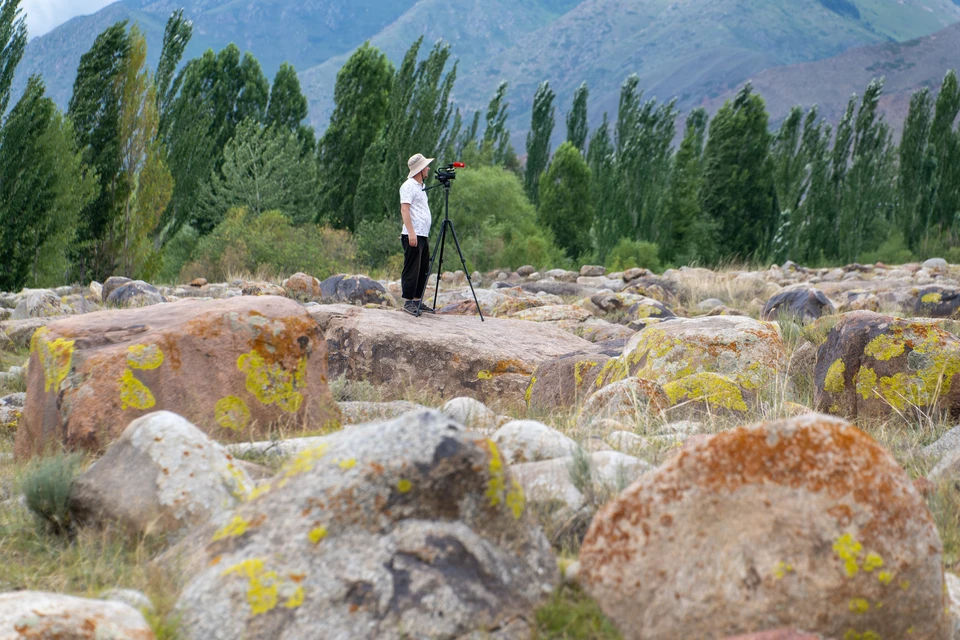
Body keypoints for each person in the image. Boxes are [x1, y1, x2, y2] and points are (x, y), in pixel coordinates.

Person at [399, 153, 435, 316]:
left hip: (422, 233)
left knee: (423, 268)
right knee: (412, 268)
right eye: (426, 166)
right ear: (420, 169)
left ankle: (417, 300)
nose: (428, 169)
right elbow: (404, 209)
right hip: (413, 233)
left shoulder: (421, 187)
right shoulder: (408, 186)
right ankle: (408, 302)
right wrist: (411, 233)